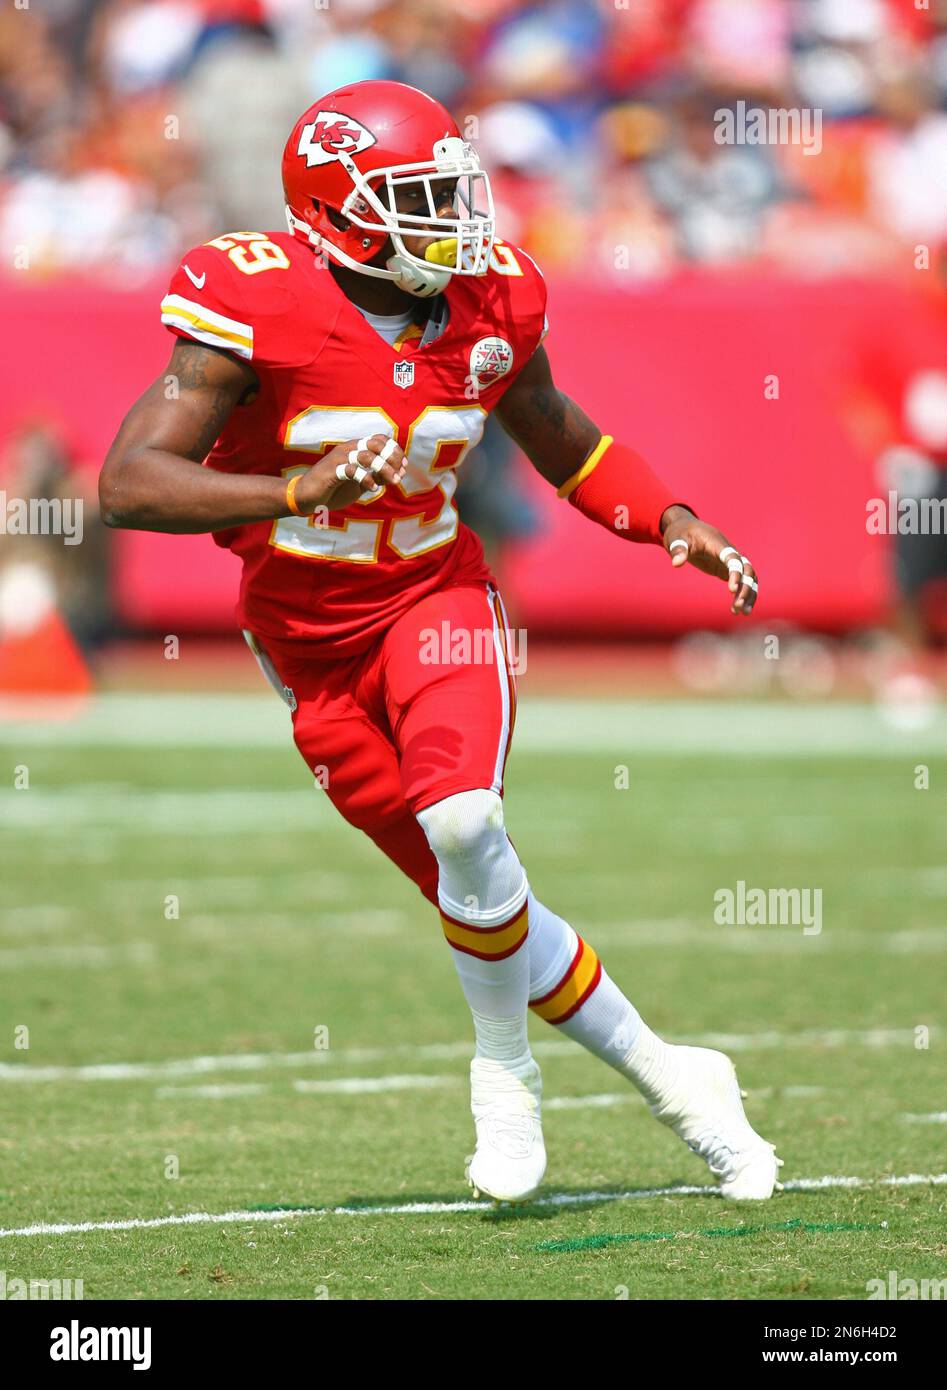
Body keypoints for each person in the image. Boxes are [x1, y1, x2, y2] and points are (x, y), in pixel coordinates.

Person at [100, 80, 778, 1204]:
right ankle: (677, 1075)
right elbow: (127, 480)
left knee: (467, 821)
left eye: (453, 191)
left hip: (434, 601)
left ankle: (502, 1072)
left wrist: (666, 515)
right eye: (421, 197)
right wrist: (291, 487)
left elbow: (555, 429)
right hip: (308, 654)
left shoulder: (493, 298)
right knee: (479, 892)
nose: (455, 220)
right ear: (340, 214)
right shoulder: (256, 300)